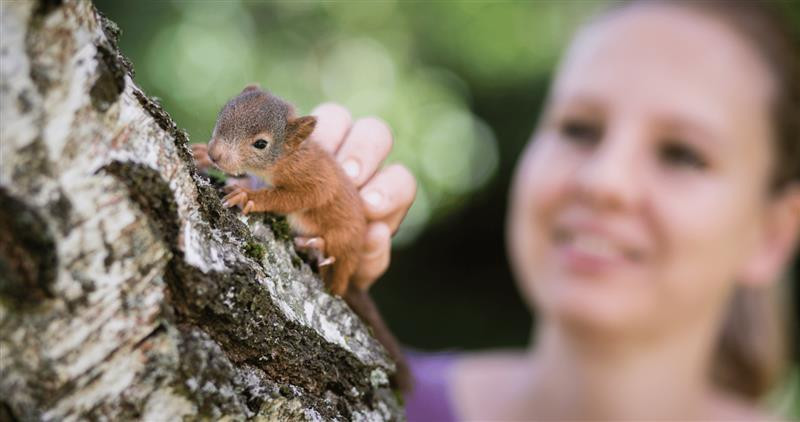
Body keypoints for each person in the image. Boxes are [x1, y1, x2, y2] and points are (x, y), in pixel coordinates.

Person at [283, 0, 800, 419]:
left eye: (682, 154)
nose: (604, 181)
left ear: (772, 233)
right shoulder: (353, 401)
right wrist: (292, 266)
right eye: (579, 128)